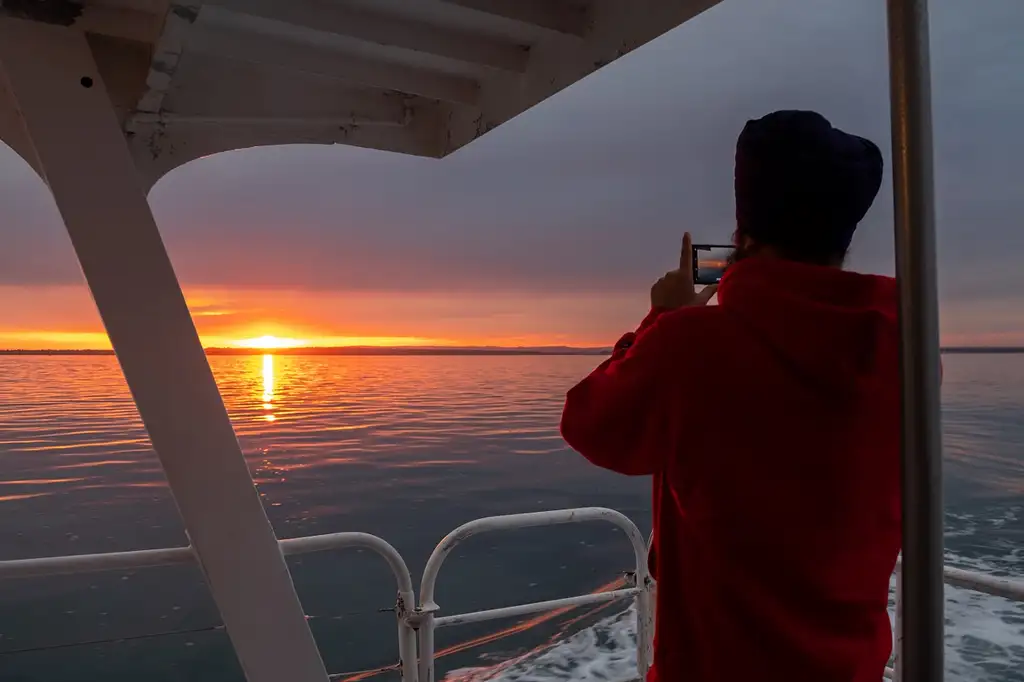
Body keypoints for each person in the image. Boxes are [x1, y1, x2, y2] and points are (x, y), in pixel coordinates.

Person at [560, 110, 900, 682]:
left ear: (741, 236)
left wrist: (661, 317)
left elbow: (588, 423)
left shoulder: (690, 347)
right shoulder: (907, 352)